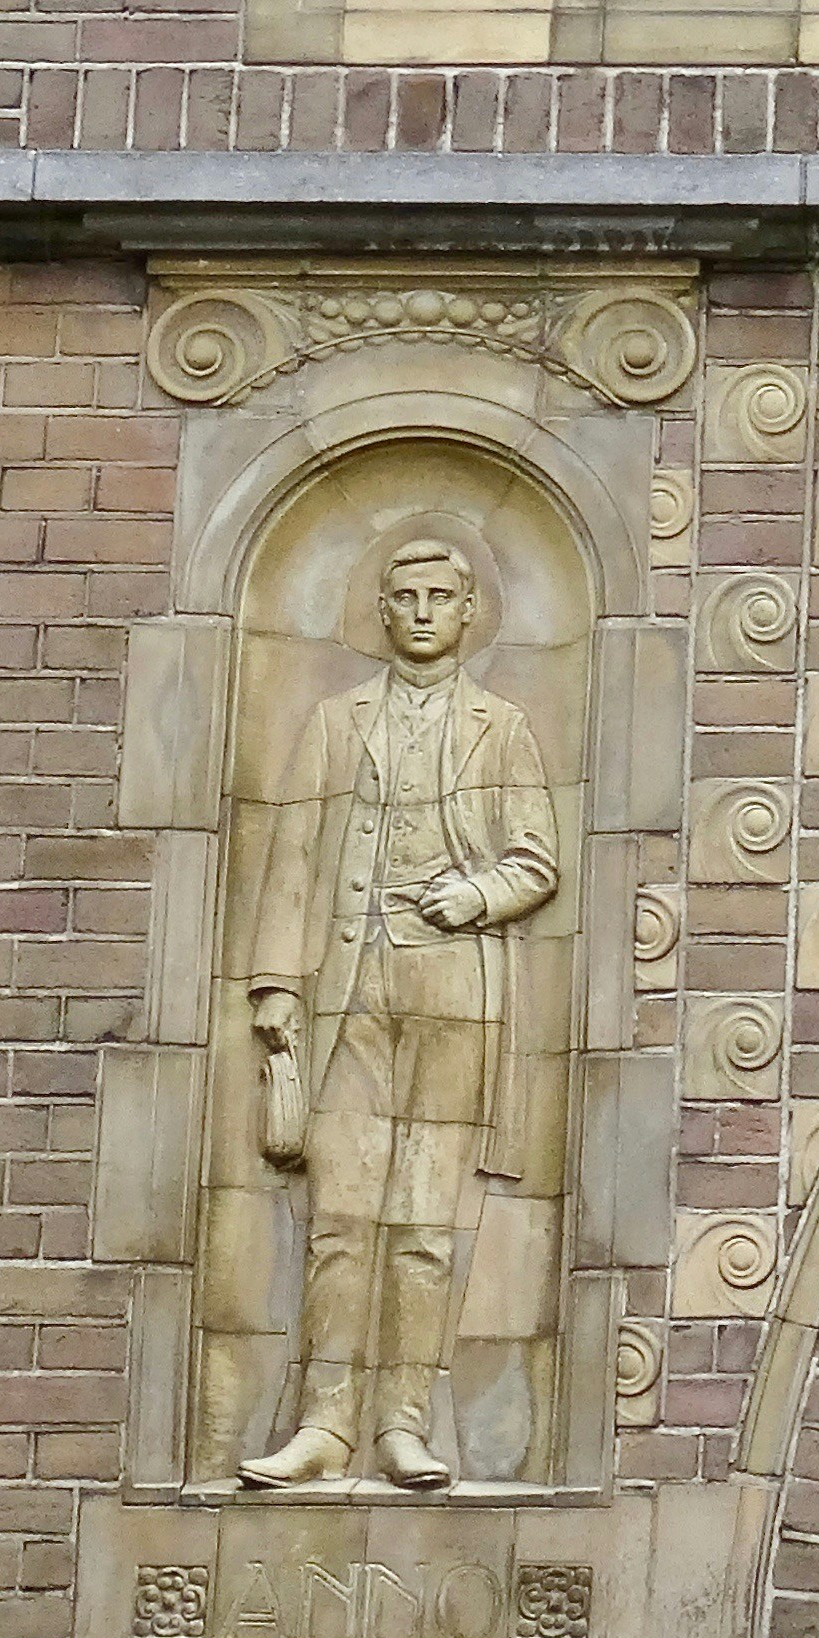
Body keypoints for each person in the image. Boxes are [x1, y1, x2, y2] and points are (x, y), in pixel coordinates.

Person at [235, 538, 561, 1490]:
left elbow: (538, 859)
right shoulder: (337, 723)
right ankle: (324, 1425)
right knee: (340, 1215)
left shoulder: (503, 727)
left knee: (423, 1222)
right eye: (405, 597)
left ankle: (402, 1427)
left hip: (458, 992)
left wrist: (476, 895)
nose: (422, 612)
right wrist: (276, 987)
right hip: (347, 989)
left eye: (439, 597)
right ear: (383, 610)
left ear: (468, 612)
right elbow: (291, 855)